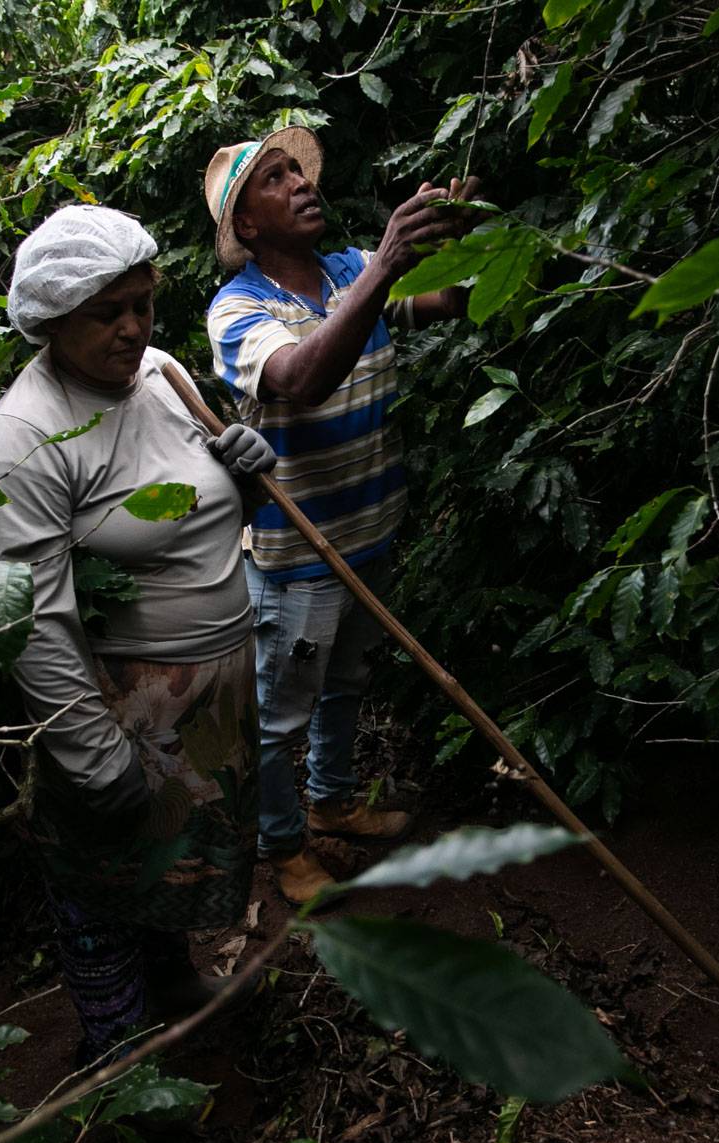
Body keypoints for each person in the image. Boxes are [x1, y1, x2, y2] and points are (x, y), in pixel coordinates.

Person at [0, 205, 276, 1065]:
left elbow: (202, 515)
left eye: (141, 303)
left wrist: (245, 474)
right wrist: (90, 755)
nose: (133, 328)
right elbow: (32, 618)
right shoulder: (19, 444)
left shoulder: (165, 375)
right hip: (122, 715)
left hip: (208, 701)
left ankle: (173, 989)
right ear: (51, 320)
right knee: (103, 888)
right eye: (107, 313)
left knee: (167, 878)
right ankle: (118, 1060)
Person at [203, 126, 481, 899]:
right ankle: (284, 846)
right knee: (274, 718)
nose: (300, 182)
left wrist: (459, 233)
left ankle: (329, 802)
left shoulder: (349, 271)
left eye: (299, 170)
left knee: (345, 684)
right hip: (298, 558)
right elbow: (301, 378)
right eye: (274, 178)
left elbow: (450, 301)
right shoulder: (237, 311)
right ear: (247, 228)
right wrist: (390, 261)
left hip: (369, 532)